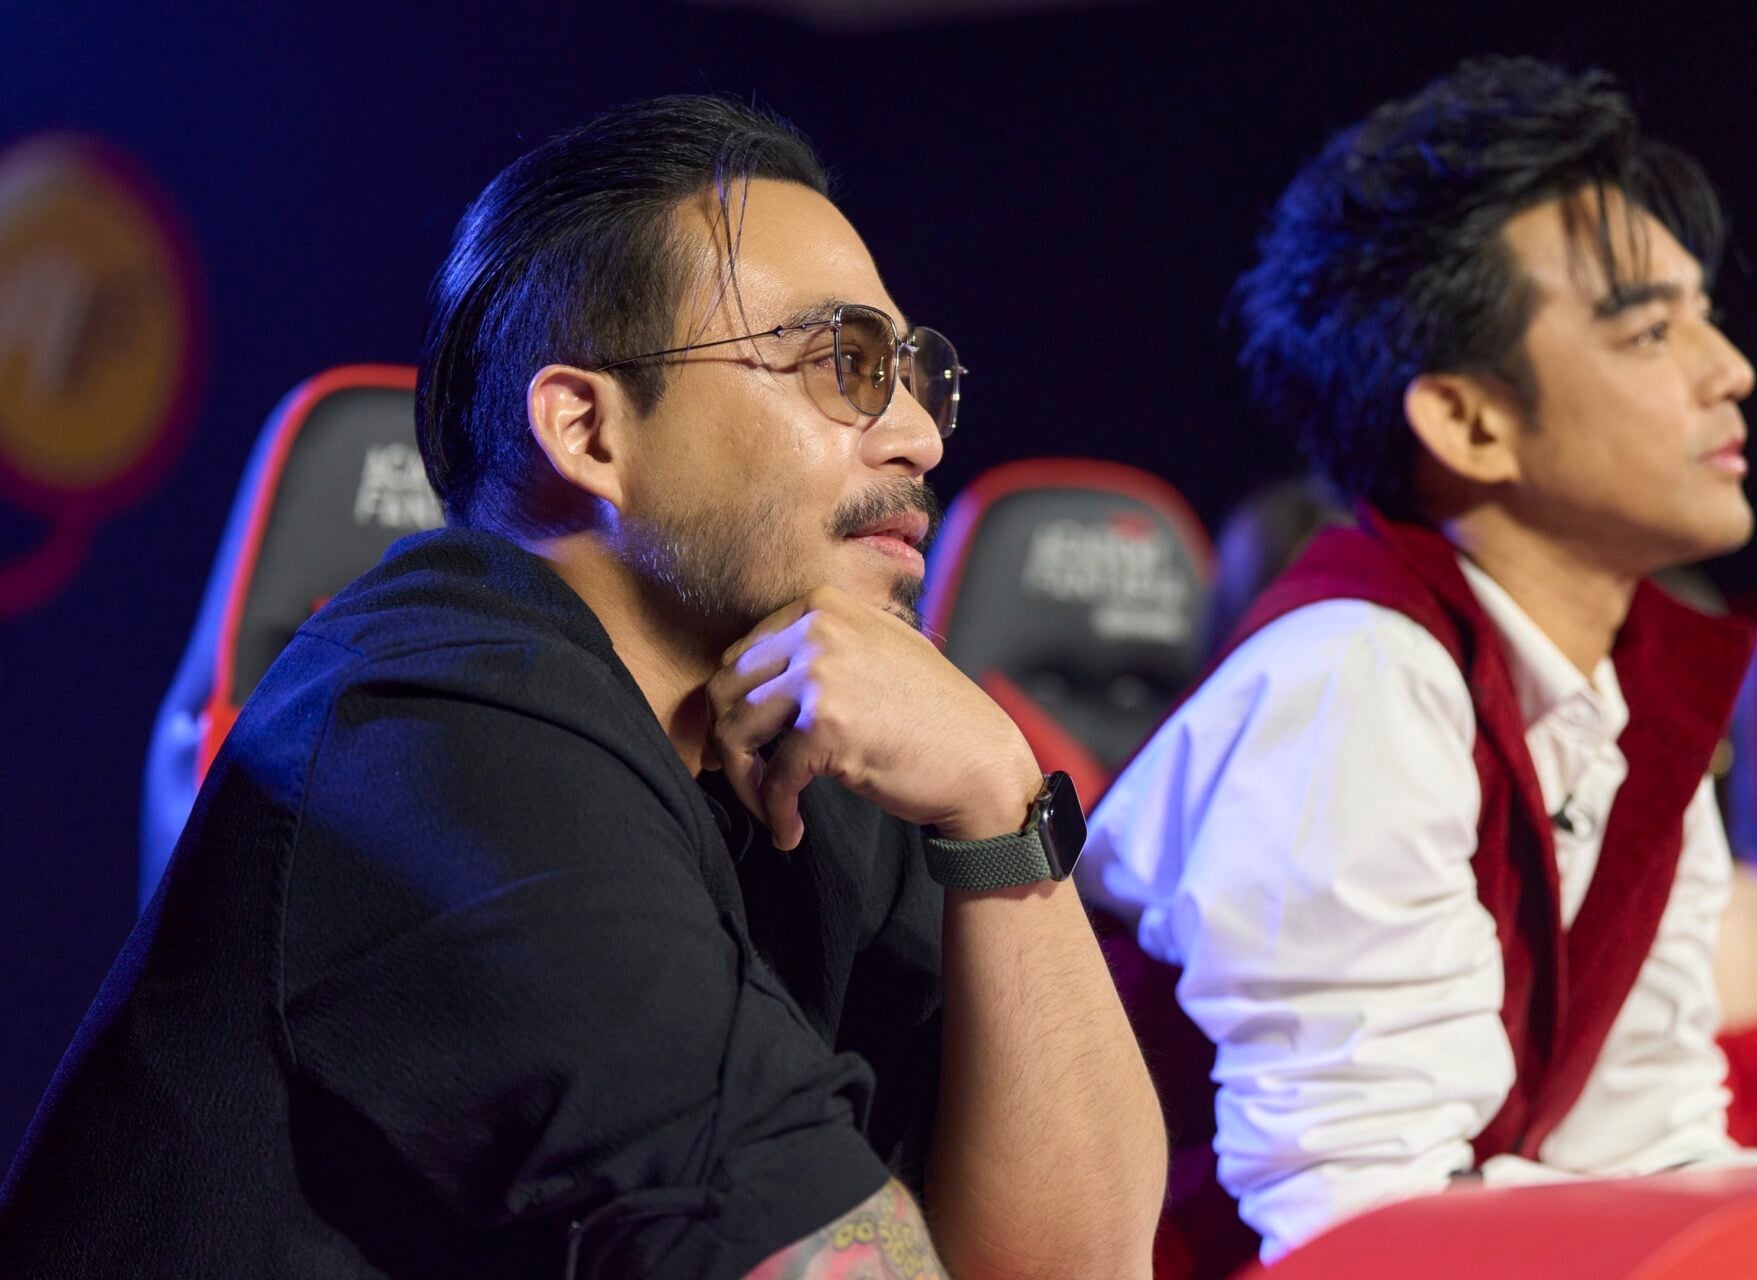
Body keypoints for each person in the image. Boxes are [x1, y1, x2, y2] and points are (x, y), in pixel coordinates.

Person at [0, 97, 1165, 1279]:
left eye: (913, 375)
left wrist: (999, 805)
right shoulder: (437, 727)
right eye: (842, 364)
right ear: (588, 431)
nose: (918, 434)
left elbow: (1081, 1262)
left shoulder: (827, 727)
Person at [1079, 56, 1757, 1266]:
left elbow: (1643, 1152)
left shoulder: (1632, 695)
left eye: (1704, 313)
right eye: (1651, 330)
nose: (1728, 367)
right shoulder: (1355, 676)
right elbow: (1358, 1232)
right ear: (1468, 420)